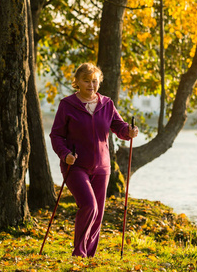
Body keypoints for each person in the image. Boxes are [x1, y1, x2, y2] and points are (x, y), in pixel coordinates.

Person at [49, 62, 138, 258]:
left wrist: (129, 131)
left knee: (98, 214)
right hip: (75, 165)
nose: (91, 85)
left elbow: (119, 126)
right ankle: (78, 253)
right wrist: (65, 155)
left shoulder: (107, 104)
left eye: (95, 81)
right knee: (89, 206)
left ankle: (89, 255)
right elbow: (56, 136)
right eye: (86, 81)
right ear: (77, 82)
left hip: (102, 167)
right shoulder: (67, 105)